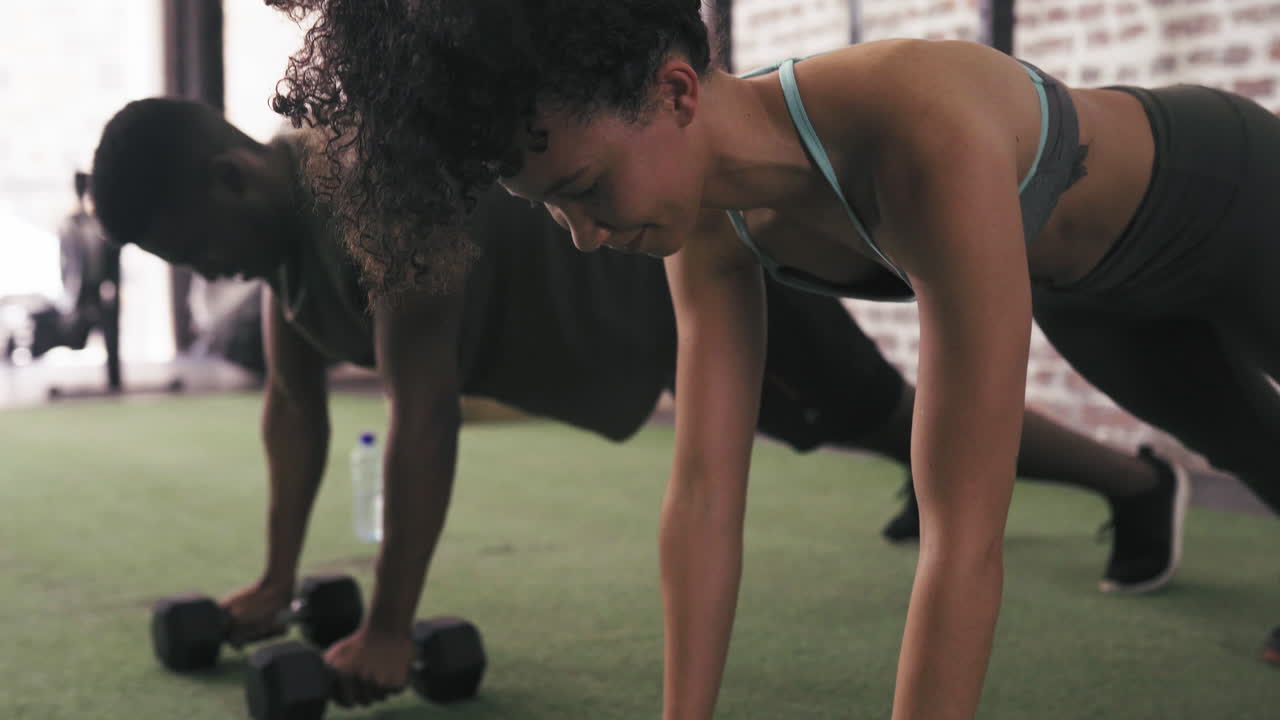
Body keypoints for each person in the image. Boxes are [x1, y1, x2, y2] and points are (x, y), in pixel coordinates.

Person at [263, 1, 1280, 717]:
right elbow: (705, 497)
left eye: (583, 188)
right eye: (553, 209)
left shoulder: (921, 137)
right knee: (1247, 443)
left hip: (1232, 198)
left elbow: (964, 537)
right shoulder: (709, 224)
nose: (583, 236)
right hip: (1093, 294)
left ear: (675, 91)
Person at [90, 95, 1180, 712]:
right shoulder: (283, 250)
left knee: (881, 416)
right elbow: (293, 410)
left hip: (688, 265)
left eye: (195, 249)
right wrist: (276, 579)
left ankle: (1136, 484)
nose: (206, 272)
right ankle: (947, 477)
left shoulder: (377, 202)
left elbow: (422, 417)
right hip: (631, 318)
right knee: (869, 430)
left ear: (232, 179)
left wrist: (385, 629)